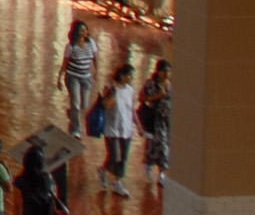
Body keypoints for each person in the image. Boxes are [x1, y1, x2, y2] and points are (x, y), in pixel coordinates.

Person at [101, 63, 139, 195]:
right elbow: (105, 104)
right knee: (115, 156)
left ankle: (118, 182)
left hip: (126, 129)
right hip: (112, 128)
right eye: (130, 75)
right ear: (123, 75)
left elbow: (131, 109)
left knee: (123, 158)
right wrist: (114, 92)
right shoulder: (111, 87)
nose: (131, 78)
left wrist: (138, 125)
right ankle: (103, 170)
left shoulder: (130, 90)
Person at [60, 19, 97, 137]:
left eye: (86, 30)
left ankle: (72, 114)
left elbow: (95, 58)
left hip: (86, 78)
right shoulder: (71, 46)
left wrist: (97, 70)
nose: (85, 32)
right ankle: (76, 130)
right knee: (76, 103)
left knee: (84, 105)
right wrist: (60, 77)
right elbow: (65, 63)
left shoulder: (91, 43)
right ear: (77, 32)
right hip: (72, 77)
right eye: (82, 30)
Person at [140, 57, 174, 188]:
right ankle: (149, 164)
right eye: (165, 71)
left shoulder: (170, 84)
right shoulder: (151, 84)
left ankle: (162, 171)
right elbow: (142, 97)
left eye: (169, 71)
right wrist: (156, 96)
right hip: (155, 118)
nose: (167, 74)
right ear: (158, 71)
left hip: (167, 119)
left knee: (165, 144)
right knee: (153, 143)